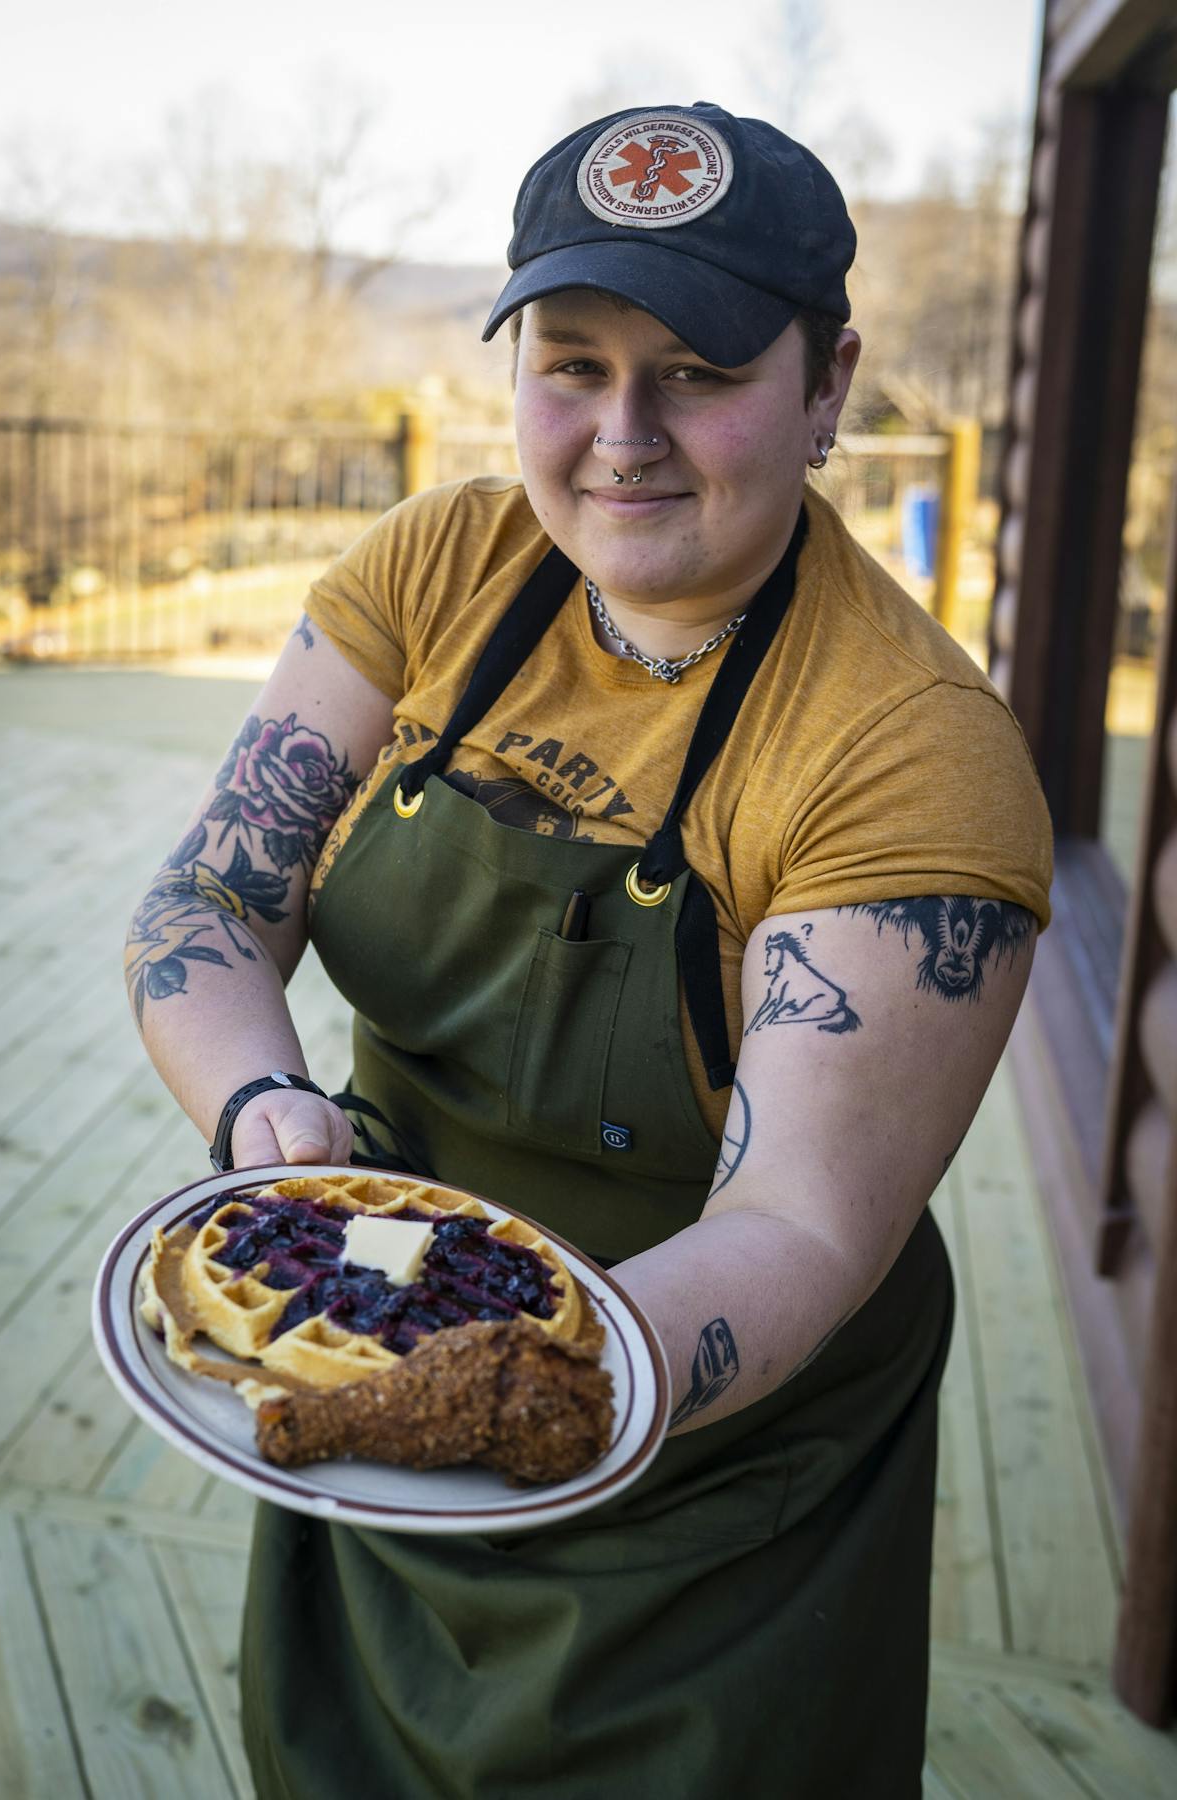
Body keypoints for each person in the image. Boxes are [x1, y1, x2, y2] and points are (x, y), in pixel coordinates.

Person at [126, 101, 1052, 1798]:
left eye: (697, 370)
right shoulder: (442, 564)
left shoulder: (911, 753)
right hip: (373, 1329)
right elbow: (208, 902)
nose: (622, 435)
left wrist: (518, 1391)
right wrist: (268, 1119)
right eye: (571, 363)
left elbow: (798, 1222)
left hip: (702, 1488)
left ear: (828, 384)